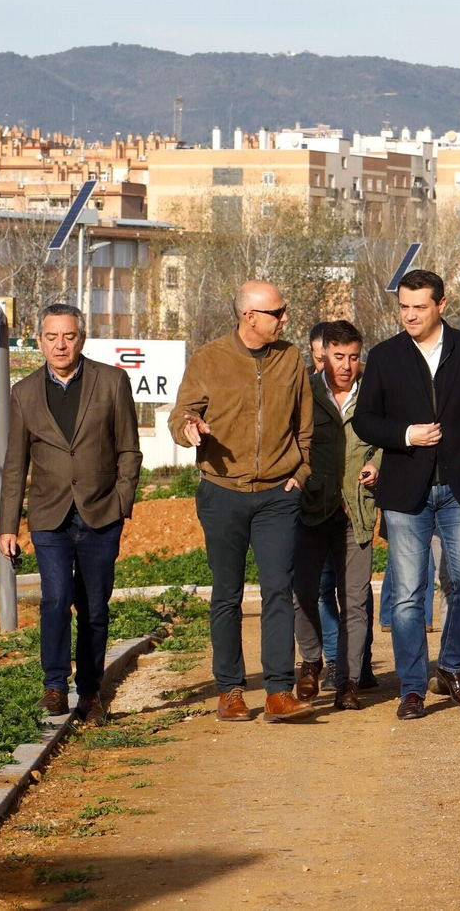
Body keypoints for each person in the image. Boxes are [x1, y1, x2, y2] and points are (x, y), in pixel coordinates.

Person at [353, 268, 460, 719]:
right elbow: (365, 420)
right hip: (405, 491)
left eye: (419, 307)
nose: (409, 315)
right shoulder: (385, 356)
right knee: (408, 593)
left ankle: (450, 666)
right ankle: (411, 688)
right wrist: (406, 434)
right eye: (403, 307)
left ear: (442, 305)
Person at [170, 280, 316, 722]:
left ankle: (277, 692)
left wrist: (301, 473)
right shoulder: (209, 359)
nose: (285, 318)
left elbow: (305, 427)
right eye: (277, 312)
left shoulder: (291, 358)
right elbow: (182, 414)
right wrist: (189, 429)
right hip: (222, 492)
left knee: (277, 589)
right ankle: (231, 691)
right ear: (249, 317)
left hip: (278, 494)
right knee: (227, 594)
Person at [0, 302, 142, 726]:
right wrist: (7, 526)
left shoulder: (112, 382)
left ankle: (92, 692)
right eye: (51, 336)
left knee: (94, 606)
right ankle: (55, 687)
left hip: (101, 513)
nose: (60, 344)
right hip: (49, 516)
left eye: (69, 336)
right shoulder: (23, 392)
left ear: (82, 338)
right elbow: (14, 465)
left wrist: (121, 501)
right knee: (56, 598)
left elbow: (129, 449)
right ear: (39, 340)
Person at [291, 321, 380, 711]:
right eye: (338, 356)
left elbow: (386, 441)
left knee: (355, 601)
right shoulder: (305, 393)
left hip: (356, 511)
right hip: (311, 508)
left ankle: (348, 680)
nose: (346, 365)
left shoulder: (373, 394)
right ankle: (311, 659)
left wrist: (378, 465)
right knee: (305, 592)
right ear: (323, 354)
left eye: (353, 357)